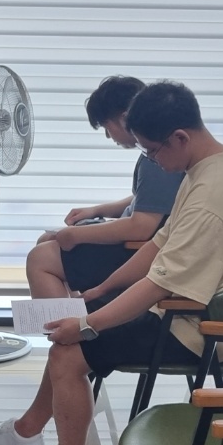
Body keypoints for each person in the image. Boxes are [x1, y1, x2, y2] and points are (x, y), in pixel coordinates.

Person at [0, 81, 223, 445]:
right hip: (189, 307)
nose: (152, 160)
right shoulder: (208, 167)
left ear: (180, 138)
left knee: (68, 350)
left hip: (199, 329)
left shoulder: (211, 197)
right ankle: (28, 432)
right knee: (75, 327)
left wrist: (87, 324)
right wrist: (100, 291)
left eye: (152, 151)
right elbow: (158, 247)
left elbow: (157, 286)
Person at [26, 76, 184, 300]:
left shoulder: (157, 157)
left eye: (107, 127)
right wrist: (96, 211)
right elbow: (146, 200)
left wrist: (77, 234)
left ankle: (69, 323)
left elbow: (141, 227)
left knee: (40, 259)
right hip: (135, 246)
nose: (108, 136)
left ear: (125, 119)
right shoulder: (156, 151)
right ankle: (76, 316)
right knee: (47, 241)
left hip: (138, 253)